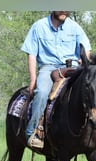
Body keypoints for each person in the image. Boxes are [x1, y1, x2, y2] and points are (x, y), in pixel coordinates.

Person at [21, 11, 91, 148]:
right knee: (41, 92)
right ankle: (32, 132)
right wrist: (33, 79)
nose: (64, 10)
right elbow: (31, 55)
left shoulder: (75, 27)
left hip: (73, 67)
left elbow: (86, 48)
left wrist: (84, 59)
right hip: (48, 68)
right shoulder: (39, 26)